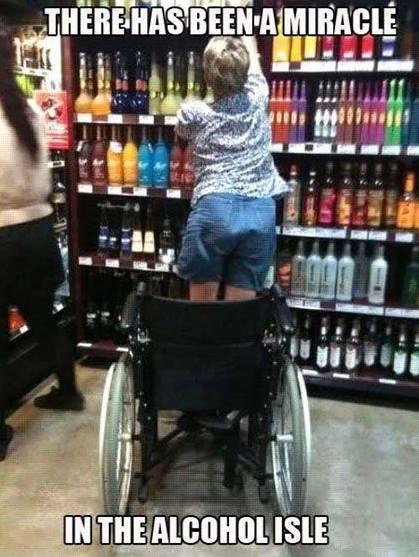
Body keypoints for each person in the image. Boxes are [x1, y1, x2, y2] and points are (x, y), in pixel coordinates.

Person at [0, 21, 84, 461]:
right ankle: (69, 389)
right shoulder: (27, 109)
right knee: (44, 319)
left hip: (2, 235)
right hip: (36, 231)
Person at [175, 32, 288, 301]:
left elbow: (180, 135)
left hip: (215, 209)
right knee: (239, 314)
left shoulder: (193, 114)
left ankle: (203, 344)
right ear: (246, 69)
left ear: (206, 75)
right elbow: (255, 62)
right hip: (261, 210)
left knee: (203, 315)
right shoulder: (259, 95)